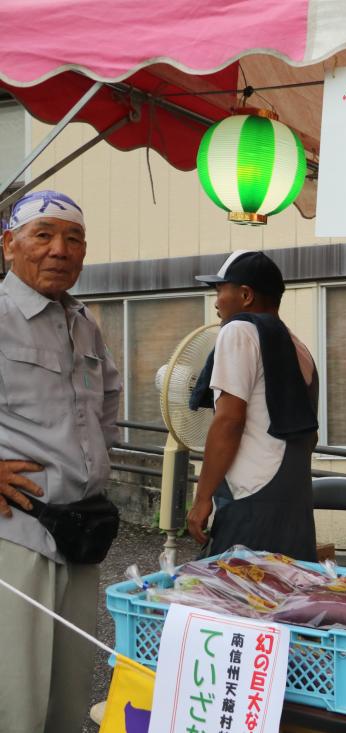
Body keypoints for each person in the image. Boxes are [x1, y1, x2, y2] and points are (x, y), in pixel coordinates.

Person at [0, 190, 122, 732]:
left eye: (73, 239)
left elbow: (109, 400)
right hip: (17, 534)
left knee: (69, 694)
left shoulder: (83, 322)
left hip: (80, 529)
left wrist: (97, 461)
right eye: (43, 235)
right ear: (9, 245)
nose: (59, 250)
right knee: (15, 697)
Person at [187, 250, 320, 561]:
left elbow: (229, 420)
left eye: (220, 290)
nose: (217, 302)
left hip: (251, 498)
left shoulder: (239, 330)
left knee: (239, 599)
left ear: (245, 295)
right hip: (294, 501)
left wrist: (202, 497)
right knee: (289, 602)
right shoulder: (297, 346)